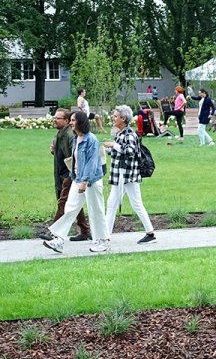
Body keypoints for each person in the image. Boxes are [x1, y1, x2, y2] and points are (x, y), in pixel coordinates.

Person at [43, 111, 110, 254]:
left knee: (96, 211)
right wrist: (75, 178)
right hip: (77, 179)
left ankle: (103, 241)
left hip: (90, 181)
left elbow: (92, 163)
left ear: (80, 122)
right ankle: (59, 240)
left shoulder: (91, 140)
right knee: (70, 209)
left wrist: (85, 181)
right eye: (71, 120)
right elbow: (75, 161)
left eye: (73, 120)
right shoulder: (76, 139)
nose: (71, 123)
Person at [103, 105, 155, 244]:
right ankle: (106, 235)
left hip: (128, 176)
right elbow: (120, 152)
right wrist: (108, 149)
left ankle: (150, 233)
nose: (113, 118)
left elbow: (130, 151)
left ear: (123, 118)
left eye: (115, 116)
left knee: (135, 204)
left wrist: (114, 145)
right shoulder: (121, 134)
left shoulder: (129, 134)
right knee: (112, 204)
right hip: (120, 175)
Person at [38, 108, 91, 242]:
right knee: (73, 204)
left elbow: (73, 158)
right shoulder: (59, 134)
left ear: (66, 121)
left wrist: (71, 176)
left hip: (69, 175)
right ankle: (85, 230)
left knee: (63, 202)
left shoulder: (69, 135)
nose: (54, 120)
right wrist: (53, 151)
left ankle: (53, 232)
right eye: (54, 117)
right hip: (62, 173)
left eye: (58, 118)